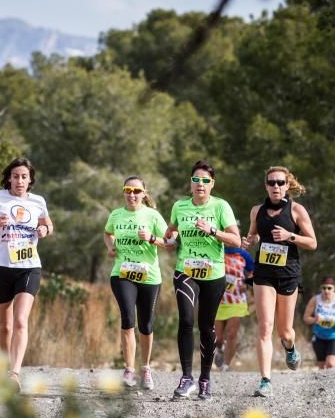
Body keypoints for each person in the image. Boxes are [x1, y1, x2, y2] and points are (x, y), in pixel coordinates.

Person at [0, 157, 53, 388]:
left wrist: (44, 229)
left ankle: (14, 374)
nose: (19, 180)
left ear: (30, 180)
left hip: (28, 267)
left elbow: (49, 226)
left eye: (24, 177)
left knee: (20, 321)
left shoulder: (38, 201)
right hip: (0, 267)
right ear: (9, 178)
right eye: (16, 176)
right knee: (5, 325)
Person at [165, 160, 241, 400]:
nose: (200, 184)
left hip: (213, 274)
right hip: (185, 270)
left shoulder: (221, 207)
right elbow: (172, 233)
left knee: (206, 326)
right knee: (186, 320)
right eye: (196, 180)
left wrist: (212, 231)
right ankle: (186, 378)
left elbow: (236, 241)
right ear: (190, 184)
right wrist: (169, 238)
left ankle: (205, 379)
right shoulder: (180, 206)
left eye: (205, 181)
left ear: (212, 185)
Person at [244, 166, 317, 397]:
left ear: (287, 185)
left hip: (288, 273)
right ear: (265, 185)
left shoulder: (296, 210)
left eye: (280, 183)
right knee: (265, 327)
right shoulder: (257, 210)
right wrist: (250, 241)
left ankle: (290, 347)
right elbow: (253, 235)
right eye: (271, 182)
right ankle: (265, 381)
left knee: (284, 331)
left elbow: (313, 243)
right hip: (263, 273)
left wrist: (290, 236)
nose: (276, 186)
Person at [103, 176, 169, 390]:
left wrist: (151, 238)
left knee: (146, 324)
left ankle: (146, 368)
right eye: (128, 190)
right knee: (127, 318)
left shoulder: (152, 216)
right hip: (122, 273)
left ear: (144, 193)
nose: (132, 194)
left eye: (136, 191)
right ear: (124, 191)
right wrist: (110, 246)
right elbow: (107, 233)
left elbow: (170, 242)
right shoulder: (116, 215)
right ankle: (129, 370)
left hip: (149, 276)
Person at [214, 242, 254, 372]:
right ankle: (219, 349)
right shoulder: (216, 250)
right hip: (218, 301)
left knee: (232, 334)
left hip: (237, 300)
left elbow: (253, 272)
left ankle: (226, 365)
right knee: (218, 338)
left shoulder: (244, 255)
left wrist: (246, 284)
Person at [302, 276, 335, 369]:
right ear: (321, 288)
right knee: (321, 366)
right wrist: (314, 319)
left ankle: (334, 383)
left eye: (329, 288)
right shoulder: (315, 300)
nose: (326, 291)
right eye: (324, 288)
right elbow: (306, 318)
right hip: (319, 337)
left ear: (334, 288)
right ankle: (322, 384)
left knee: (331, 364)